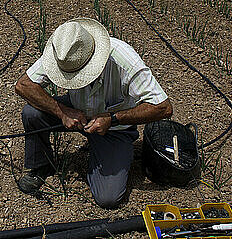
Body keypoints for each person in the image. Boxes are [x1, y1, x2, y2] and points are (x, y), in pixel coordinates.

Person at [14, 17, 172, 208]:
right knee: (32, 113)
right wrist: (63, 112)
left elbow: (163, 107)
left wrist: (112, 119)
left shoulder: (123, 60)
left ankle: (109, 153)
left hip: (114, 127)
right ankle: (42, 165)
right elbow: (23, 85)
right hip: (77, 110)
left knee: (108, 198)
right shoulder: (63, 52)